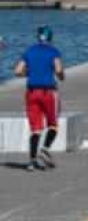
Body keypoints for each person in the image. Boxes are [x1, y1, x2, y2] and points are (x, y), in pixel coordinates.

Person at [15, 26, 64, 171]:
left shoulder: (29, 51)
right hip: (48, 92)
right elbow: (59, 70)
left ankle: (31, 162)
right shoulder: (53, 51)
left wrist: (31, 74)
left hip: (31, 92)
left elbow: (18, 71)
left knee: (35, 129)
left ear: (38, 37)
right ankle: (45, 148)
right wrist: (61, 77)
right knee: (53, 125)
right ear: (50, 37)